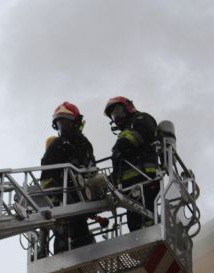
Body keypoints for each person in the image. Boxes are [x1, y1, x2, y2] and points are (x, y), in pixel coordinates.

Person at [40, 101, 96, 253]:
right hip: (64, 200)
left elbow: (92, 168)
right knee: (64, 240)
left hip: (81, 199)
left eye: (66, 122)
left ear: (76, 123)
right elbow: (47, 175)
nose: (63, 127)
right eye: (59, 124)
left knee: (82, 238)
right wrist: (54, 198)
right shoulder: (57, 145)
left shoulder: (85, 144)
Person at [104, 96, 160, 231]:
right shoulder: (125, 132)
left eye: (117, 111)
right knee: (134, 224)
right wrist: (111, 180)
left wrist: (120, 146)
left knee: (147, 216)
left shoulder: (141, 118)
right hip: (129, 186)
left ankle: (152, 236)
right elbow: (119, 164)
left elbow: (143, 132)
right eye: (113, 115)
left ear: (128, 107)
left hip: (145, 177)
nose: (116, 117)